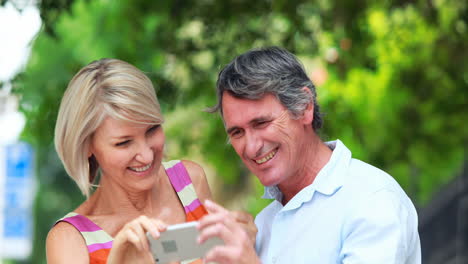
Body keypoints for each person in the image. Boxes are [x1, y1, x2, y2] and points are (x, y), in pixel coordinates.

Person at [197, 47, 421, 263]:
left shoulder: (371, 199)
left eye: (262, 123)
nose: (251, 147)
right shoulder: (264, 224)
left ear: (304, 107)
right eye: (237, 132)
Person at [46, 58, 255, 264]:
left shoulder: (189, 181)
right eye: (124, 143)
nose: (146, 155)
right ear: (87, 146)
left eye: (152, 129)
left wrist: (245, 251)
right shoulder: (70, 239)